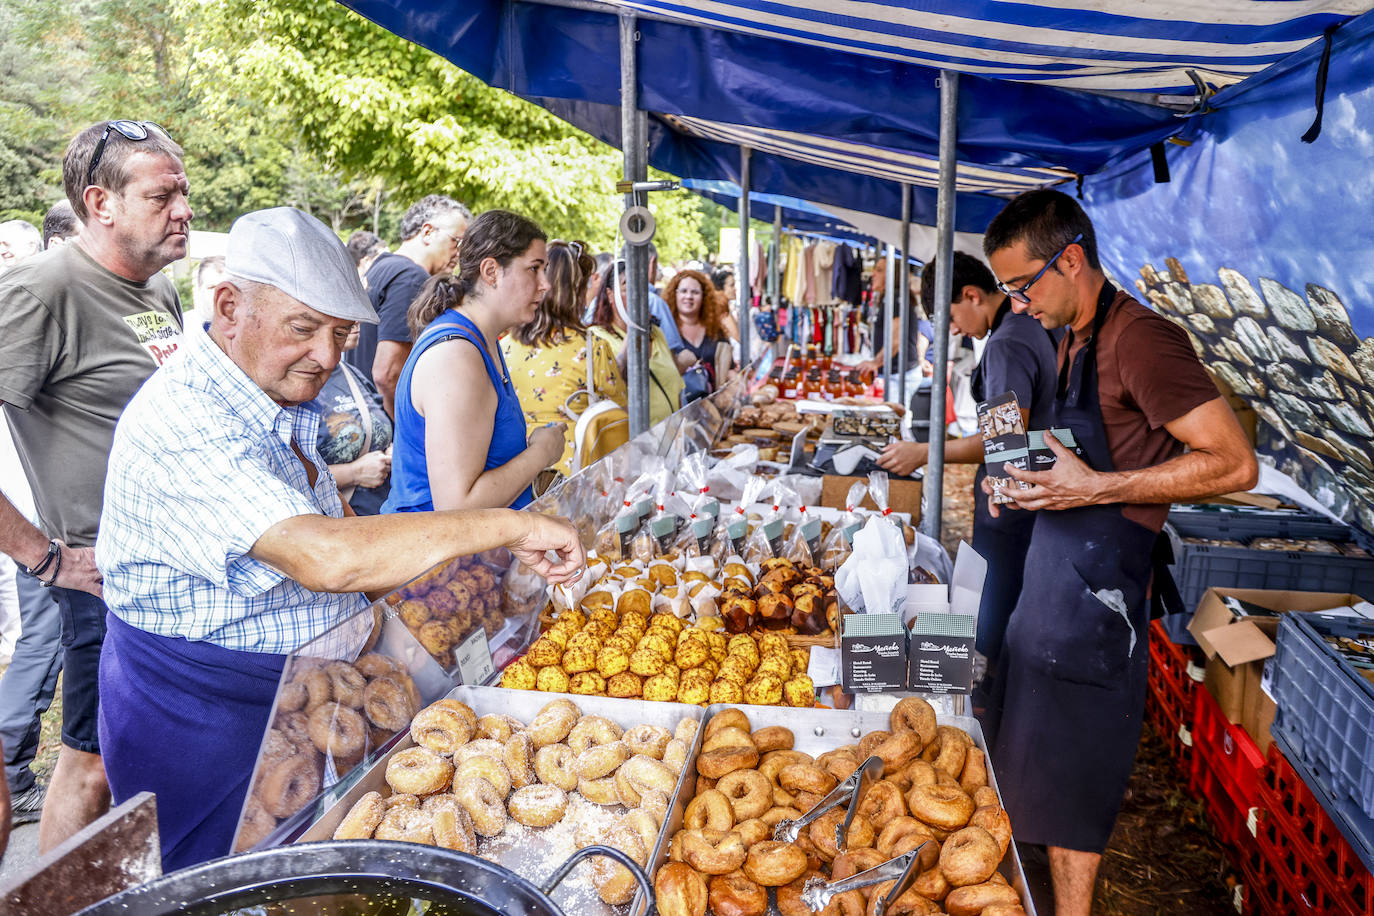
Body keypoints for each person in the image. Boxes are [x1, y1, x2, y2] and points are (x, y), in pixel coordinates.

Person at [94, 206, 584, 870]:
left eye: (341, 333)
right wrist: (510, 525)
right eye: (304, 328)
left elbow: (350, 538)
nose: (327, 356)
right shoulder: (185, 418)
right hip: (210, 722)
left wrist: (464, 585)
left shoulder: (276, 400)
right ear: (230, 307)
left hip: (305, 700)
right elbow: (325, 557)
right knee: (228, 890)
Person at [979, 189, 1257, 916]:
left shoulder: (1144, 340)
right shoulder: (1071, 334)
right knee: (1028, 770)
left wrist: (1099, 487)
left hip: (1098, 601)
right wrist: (1019, 478)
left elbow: (1234, 462)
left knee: (1073, 791)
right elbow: (1063, 446)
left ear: (1070, 260)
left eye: (1021, 286)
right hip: (1051, 585)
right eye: (1006, 291)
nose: (1015, 306)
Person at [0, 118, 191, 853]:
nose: (184, 210)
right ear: (100, 202)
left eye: (184, 191)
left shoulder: (159, 291)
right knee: (91, 766)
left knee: (139, 761)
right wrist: (44, 557)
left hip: (173, 577)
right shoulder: (43, 289)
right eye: (162, 195)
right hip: (99, 582)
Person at [876, 252, 1056, 708]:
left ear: (972, 295)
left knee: (993, 623)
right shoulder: (1021, 331)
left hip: (1014, 504)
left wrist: (925, 452)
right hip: (1025, 495)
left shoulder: (1007, 343)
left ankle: (990, 710)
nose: (952, 330)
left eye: (950, 317)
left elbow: (1005, 442)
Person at [384, 210, 566, 514]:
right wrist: (542, 453)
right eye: (534, 269)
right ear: (491, 271)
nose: (545, 284)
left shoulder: (481, 339)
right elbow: (457, 507)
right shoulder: (455, 355)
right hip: (437, 556)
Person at [503, 240, 626, 476]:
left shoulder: (503, 346)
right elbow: (619, 417)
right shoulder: (593, 348)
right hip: (574, 478)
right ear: (577, 292)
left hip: (515, 476)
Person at [349, 195, 470, 417]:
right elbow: (387, 374)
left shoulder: (380, 268)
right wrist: (408, 428)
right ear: (427, 232)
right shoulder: (411, 278)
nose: (460, 253)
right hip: (387, 428)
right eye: (457, 241)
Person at [310, 321, 393, 514]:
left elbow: (379, 427)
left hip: (382, 514)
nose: (355, 322)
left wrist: (390, 452)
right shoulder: (292, 386)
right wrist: (354, 473)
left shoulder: (350, 373)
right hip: (341, 525)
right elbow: (289, 472)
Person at [590, 259, 684, 424]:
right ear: (610, 295)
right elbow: (611, 387)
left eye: (641, 286)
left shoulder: (656, 333)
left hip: (671, 440)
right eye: (627, 286)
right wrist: (633, 332)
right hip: (634, 443)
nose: (637, 294)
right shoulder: (597, 338)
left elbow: (675, 390)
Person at [664, 268, 733, 391]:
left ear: (704, 297)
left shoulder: (716, 330)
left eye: (695, 292)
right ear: (674, 294)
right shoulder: (665, 330)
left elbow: (730, 369)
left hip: (713, 405)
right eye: (683, 291)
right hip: (679, 405)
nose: (689, 296)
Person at [191, 255, 227, 330]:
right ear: (199, 290)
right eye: (212, 287)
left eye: (225, 288)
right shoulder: (183, 330)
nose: (219, 294)